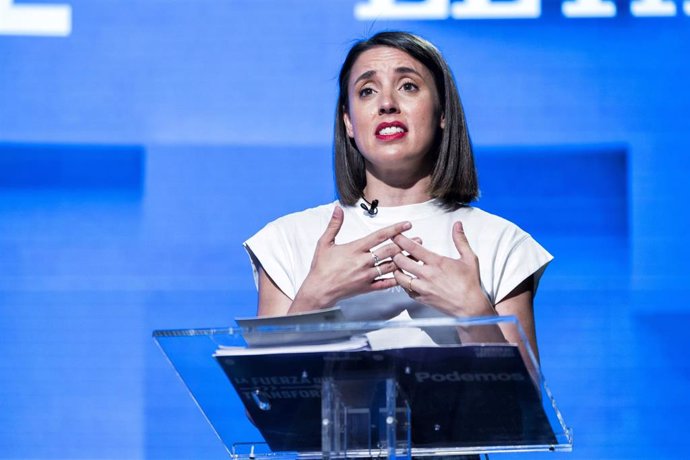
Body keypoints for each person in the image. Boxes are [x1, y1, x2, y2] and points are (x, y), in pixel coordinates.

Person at [244, 31, 552, 358]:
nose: (387, 104)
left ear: (443, 112)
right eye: (367, 91)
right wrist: (316, 296)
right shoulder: (288, 239)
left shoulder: (500, 242)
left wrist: (472, 309)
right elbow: (262, 401)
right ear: (348, 121)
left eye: (408, 86)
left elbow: (525, 404)